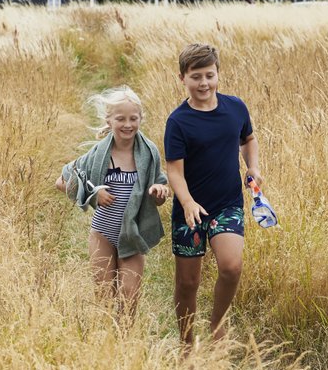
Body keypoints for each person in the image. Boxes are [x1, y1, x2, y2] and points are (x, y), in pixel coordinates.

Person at [163, 43, 262, 347]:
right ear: (183, 79)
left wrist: (253, 168)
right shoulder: (178, 121)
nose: (203, 83)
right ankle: (186, 341)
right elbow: (175, 172)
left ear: (218, 74)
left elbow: (249, 139)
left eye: (209, 75)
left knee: (231, 267)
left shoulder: (235, 108)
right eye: (196, 77)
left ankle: (217, 324)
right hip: (189, 210)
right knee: (187, 282)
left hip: (227, 203)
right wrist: (188, 201)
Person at [56, 86, 171, 318]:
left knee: (129, 296)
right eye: (120, 119)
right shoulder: (98, 154)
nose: (127, 124)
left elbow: (160, 188)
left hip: (133, 233)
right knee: (104, 295)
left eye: (133, 118)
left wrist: (160, 192)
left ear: (140, 119)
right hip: (102, 233)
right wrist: (92, 194)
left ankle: (125, 343)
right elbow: (62, 181)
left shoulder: (149, 153)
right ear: (108, 121)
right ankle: (107, 345)